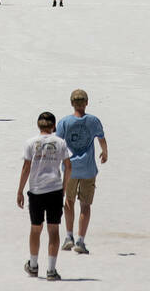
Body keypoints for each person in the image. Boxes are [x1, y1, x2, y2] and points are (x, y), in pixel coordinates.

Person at [17, 111, 70, 281]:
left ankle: (33, 265)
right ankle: (51, 270)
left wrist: (20, 190)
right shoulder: (60, 142)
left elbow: (26, 168)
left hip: (36, 190)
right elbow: (68, 166)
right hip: (54, 189)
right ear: (54, 126)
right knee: (53, 229)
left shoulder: (30, 143)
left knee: (35, 228)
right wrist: (64, 187)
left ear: (38, 125)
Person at [56, 89, 107, 254]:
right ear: (86, 103)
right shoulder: (93, 121)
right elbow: (101, 138)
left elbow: (58, 143)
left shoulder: (64, 122)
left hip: (70, 168)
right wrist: (104, 152)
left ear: (72, 103)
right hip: (88, 168)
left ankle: (69, 236)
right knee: (85, 205)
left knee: (69, 201)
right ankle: (80, 240)